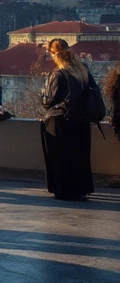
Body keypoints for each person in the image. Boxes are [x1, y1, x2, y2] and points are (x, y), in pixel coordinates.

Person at [39, 38, 96, 201]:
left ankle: (64, 189)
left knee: (61, 157)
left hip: (61, 121)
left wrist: (43, 94)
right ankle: (80, 188)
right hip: (82, 119)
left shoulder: (58, 73)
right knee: (80, 156)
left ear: (54, 54)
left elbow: (49, 101)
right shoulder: (83, 70)